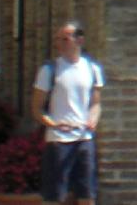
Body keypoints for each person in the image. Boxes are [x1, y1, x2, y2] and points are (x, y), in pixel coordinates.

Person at [30, 21, 103, 205]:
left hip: (84, 139)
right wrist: (53, 124)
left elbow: (96, 104)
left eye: (65, 39)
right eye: (58, 39)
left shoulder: (92, 69)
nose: (60, 43)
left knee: (87, 194)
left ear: (80, 40)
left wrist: (93, 119)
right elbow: (37, 107)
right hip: (58, 140)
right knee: (55, 196)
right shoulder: (49, 70)